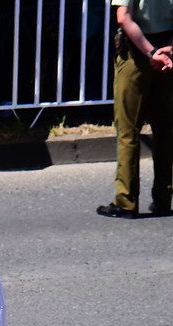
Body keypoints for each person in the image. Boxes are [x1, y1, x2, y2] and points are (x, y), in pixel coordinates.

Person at [96, 0, 173, 218]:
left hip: (138, 54)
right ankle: (163, 198)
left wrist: (152, 53)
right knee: (165, 130)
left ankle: (126, 200)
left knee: (128, 130)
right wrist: (167, 50)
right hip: (167, 52)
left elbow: (124, 17)